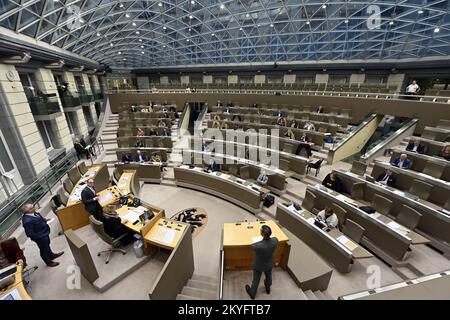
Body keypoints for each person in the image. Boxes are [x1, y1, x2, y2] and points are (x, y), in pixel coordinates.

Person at [245, 225, 278, 300]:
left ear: (262, 234)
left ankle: (252, 294)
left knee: (256, 280)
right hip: (269, 263)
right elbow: (271, 240)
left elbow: (252, 245)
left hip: (259, 265)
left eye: (261, 230)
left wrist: (262, 241)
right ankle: (268, 288)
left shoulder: (257, 246)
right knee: (269, 277)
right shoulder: (275, 240)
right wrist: (264, 240)